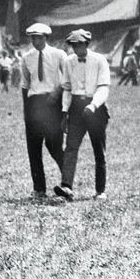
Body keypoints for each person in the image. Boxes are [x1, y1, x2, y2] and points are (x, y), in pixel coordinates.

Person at [55, 29, 110, 202]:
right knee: (71, 147)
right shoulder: (69, 62)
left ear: (87, 44)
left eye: (79, 45)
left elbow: (103, 88)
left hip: (96, 108)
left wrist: (93, 105)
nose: (76, 48)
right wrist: (64, 112)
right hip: (76, 108)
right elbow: (67, 89)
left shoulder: (99, 60)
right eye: (73, 45)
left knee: (98, 150)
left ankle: (100, 190)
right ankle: (66, 187)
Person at [20, 23, 66, 199]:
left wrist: (58, 95)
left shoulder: (59, 55)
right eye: (33, 38)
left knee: (54, 145)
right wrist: (26, 111)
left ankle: (67, 182)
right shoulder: (27, 58)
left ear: (46, 38)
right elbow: (25, 85)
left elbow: (68, 80)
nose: (36, 41)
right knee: (34, 147)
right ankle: (39, 189)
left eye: (39, 38)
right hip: (35, 102)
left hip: (53, 101)